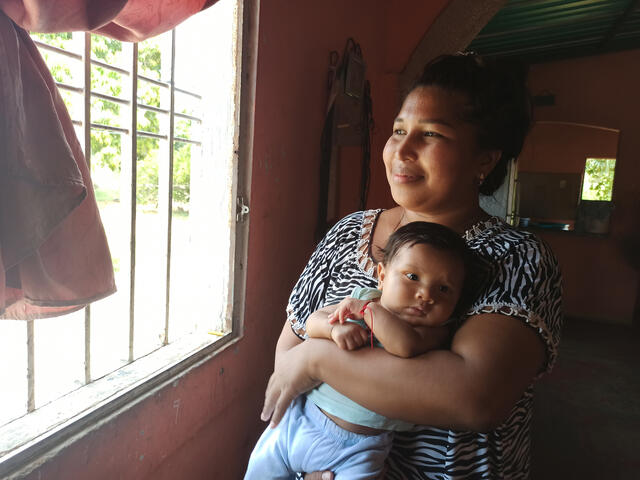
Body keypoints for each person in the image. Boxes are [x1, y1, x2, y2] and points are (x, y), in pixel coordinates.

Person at [261, 53, 563, 479]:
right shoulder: (349, 233)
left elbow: (471, 396)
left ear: (484, 160)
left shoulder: (515, 257)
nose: (402, 150)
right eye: (399, 130)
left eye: (432, 134)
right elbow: (286, 352)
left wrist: (318, 360)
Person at [245, 221, 471, 479]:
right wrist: (333, 330)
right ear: (383, 276)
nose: (425, 294)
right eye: (413, 277)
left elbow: (403, 346)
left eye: (443, 289)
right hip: (299, 421)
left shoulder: (432, 332)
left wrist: (369, 310)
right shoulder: (361, 295)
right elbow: (314, 321)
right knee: (259, 470)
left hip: (360, 449)